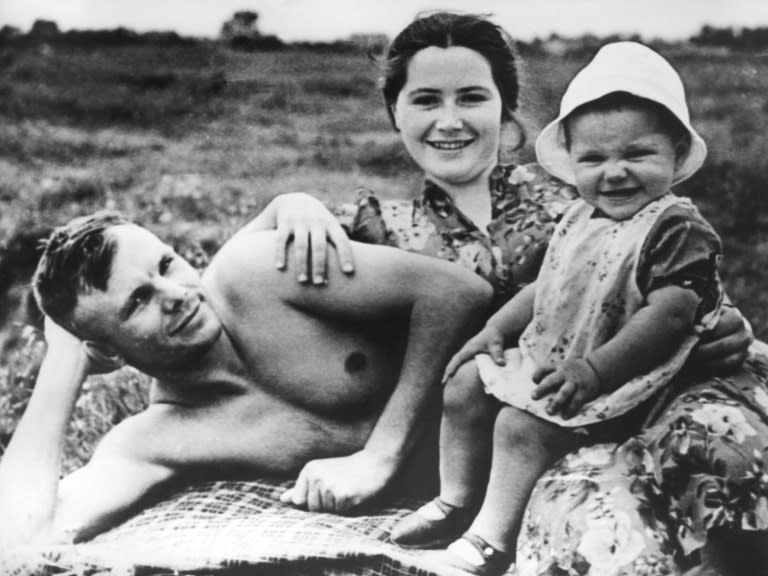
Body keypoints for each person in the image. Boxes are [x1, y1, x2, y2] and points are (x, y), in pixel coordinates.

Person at [264, 12, 767, 575]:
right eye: (426, 99)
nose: (449, 120)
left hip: (628, 388)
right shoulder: (374, 223)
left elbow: (671, 287)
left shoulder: (577, 197)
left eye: (472, 97)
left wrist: (725, 325)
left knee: (715, 464)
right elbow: (250, 282)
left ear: (504, 108)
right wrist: (289, 205)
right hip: (510, 430)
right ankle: (462, 510)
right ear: (395, 112)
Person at [388, 41, 723, 575]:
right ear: (572, 160)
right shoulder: (579, 216)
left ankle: (491, 537)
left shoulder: (675, 227)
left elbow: (671, 315)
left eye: (637, 155)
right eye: (593, 159)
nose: (613, 173)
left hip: (623, 374)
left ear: (678, 155)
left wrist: (593, 371)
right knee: (465, 386)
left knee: (520, 428)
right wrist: (493, 331)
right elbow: (549, 284)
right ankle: (456, 500)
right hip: (561, 355)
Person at [0, 210, 492, 546]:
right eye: (137, 302)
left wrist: (380, 454)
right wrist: (63, 362)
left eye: (167, 264)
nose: (174, 293)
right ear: (105, 349)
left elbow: (458, 293)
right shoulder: (161, 437)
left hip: (525, 422)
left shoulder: (252, 274)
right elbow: (20, 533)